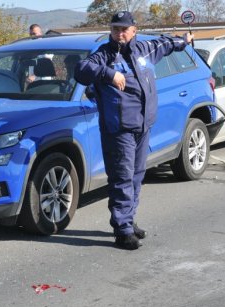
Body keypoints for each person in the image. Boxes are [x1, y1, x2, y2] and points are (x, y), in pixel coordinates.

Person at [74, 11, 193, 250]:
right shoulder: (103, 55)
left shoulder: (146, 49)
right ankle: (122, 230)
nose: (119, 34)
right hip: (119, 130)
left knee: (137, 175)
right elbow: (81, 70)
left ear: (134, 30)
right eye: (115, 29)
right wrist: (109, 73)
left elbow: (166, 43)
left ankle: (129, 219)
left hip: (143, 126)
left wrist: (184, 40)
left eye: (124, 29)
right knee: (122, 177)